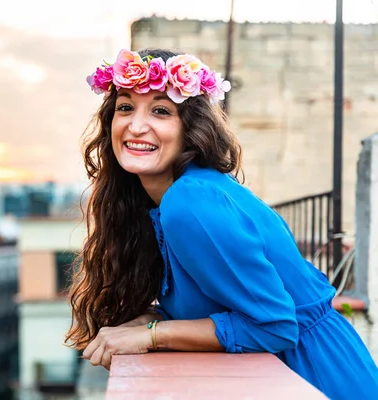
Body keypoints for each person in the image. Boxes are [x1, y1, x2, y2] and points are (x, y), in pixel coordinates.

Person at [65, 48, 378, 399]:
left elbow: (274, 327)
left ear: (190, 128)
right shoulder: (168, 198)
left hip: (317, 376)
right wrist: (158, 318)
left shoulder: (190, 202)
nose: (136, 126)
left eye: (160, 110)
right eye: (125, 107)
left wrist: (152, 333)